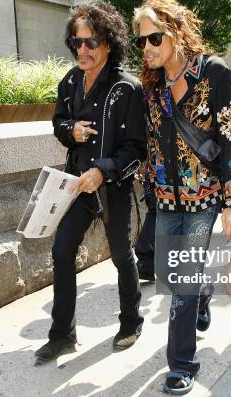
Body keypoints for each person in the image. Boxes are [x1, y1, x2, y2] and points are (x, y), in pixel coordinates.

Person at [133, 0, 231, 393]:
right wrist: (148, 186)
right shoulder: (149, 83)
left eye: (153, 37)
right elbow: (148, 140)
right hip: (165, 197)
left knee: (182, 279)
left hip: (205, 195)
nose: (146, 47)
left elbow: (230, 134)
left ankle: (181, 363)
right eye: (141, 40)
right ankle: (201, 296)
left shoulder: (213, 72)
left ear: (176, 32)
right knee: (169, 276)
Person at [34, 0, 146, 364]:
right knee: (62, 252)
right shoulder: (69, 81)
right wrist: (72, 130)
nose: (82, 49)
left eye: (90, 42)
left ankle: (131, 322)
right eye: (76, 42)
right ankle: (62, 335)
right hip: (76, 186)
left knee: (120, 255)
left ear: (108, 44)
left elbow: (136, 147)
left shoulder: (127, 88)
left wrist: (104, 169)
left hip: (111, 186)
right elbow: (58, 124)